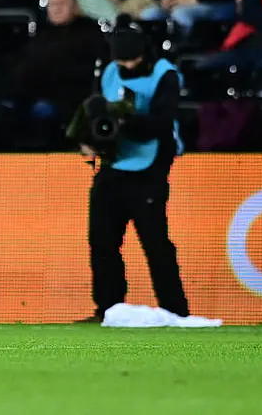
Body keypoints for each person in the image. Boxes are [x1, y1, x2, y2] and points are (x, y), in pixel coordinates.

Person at [69, 24, 189, 322]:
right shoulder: (110, 72)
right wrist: (89, 139)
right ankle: (108, 310)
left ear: (143, 54)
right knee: (102, 240)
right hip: (113, 164)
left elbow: (163, 124)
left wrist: (127, 120)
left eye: (131, 61)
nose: (126, 67)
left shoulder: (165, 75)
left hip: (149, 167)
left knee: (155, 242)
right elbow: (96, 112)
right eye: (121, 62)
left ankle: (175, 311)